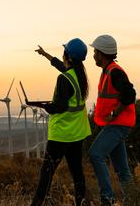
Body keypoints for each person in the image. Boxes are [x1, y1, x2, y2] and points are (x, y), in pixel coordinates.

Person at [28, 38, 92, 206]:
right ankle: (81, 202)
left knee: (46, 173)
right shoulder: (79, 75)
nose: (62, 55)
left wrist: (48, 107)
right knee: (77, 172)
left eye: (64, 52)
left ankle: (36, 204)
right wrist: (45, 55)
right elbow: (59, 65)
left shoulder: (63, 78)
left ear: (68, 57)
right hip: (78, 133)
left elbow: (61, 106)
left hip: (62, 134)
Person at [88, 34, 136, 206]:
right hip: (115, 125)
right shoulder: (108, 71)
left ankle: (107, 198)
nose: (93, 55)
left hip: (117, 125)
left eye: (95, 51)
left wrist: (115, 113)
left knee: (95, 154)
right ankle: (133, 199)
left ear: (102, 53)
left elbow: (130, 94)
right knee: (122, 169)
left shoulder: (114, 72)